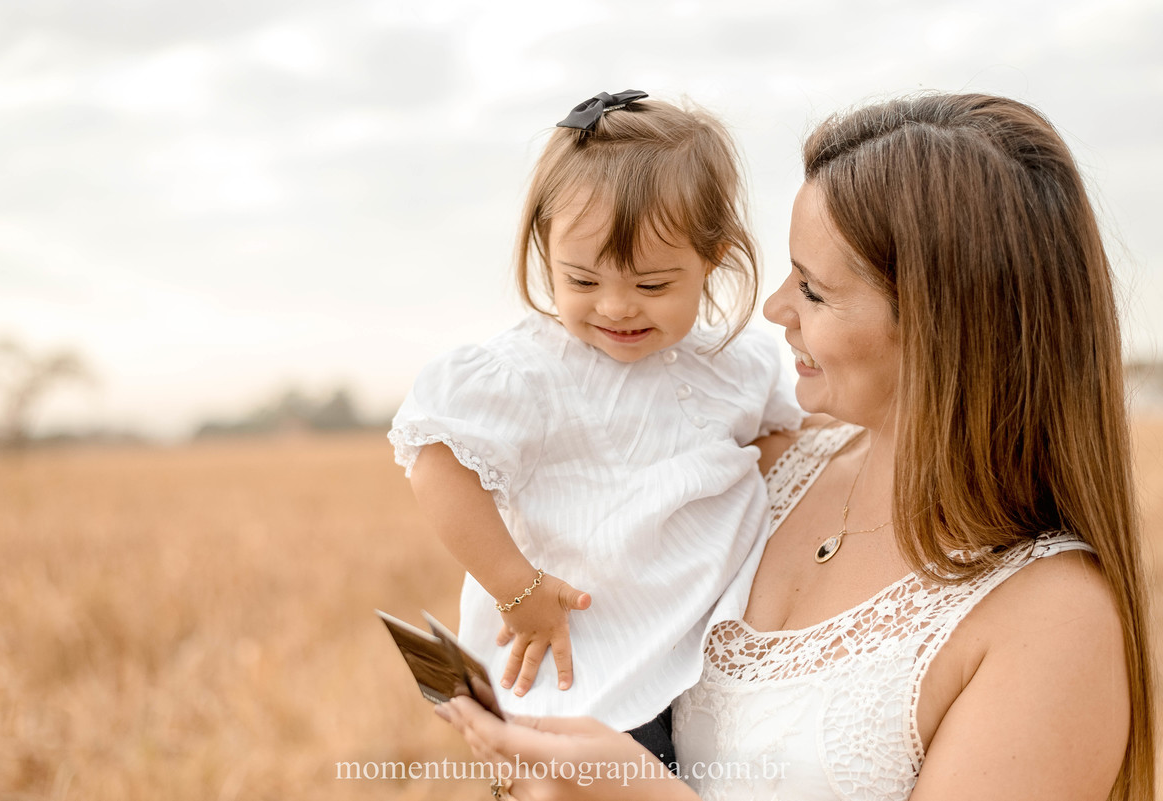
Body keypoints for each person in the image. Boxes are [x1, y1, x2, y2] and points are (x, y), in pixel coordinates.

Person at [434, 92, 1156, 801]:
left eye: (812, 289)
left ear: (944, 327)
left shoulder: (1055, 621)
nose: (774, 308)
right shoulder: (765, 471)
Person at [388, 90, 803, 761]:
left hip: (703, 664)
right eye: (581, 281)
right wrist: (517, 587)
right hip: (581, 673)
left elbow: (784, 444)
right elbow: (436, 461)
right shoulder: (528, 374)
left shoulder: (734, 364)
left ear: (713, 259)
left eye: (652, 285)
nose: (616, 308)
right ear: (543, 249)